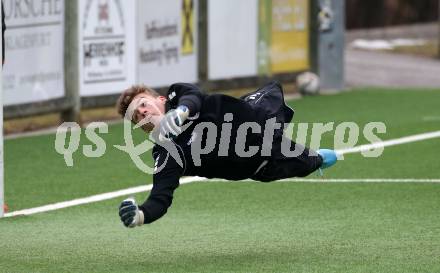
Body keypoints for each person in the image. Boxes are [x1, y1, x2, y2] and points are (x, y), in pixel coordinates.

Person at [116, 81, 337, 228]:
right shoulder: (167, 154)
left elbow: (193, 97)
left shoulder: (179, 95)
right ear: (143, 127)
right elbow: (160, 199)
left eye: (143, 104)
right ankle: (317, 159)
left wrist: (181, 112)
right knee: (315, 161)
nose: (142, 112)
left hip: (259, 116)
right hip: (265, 162)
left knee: (270, 92)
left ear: (161, 100)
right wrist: (140, 216)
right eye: (137, 116)